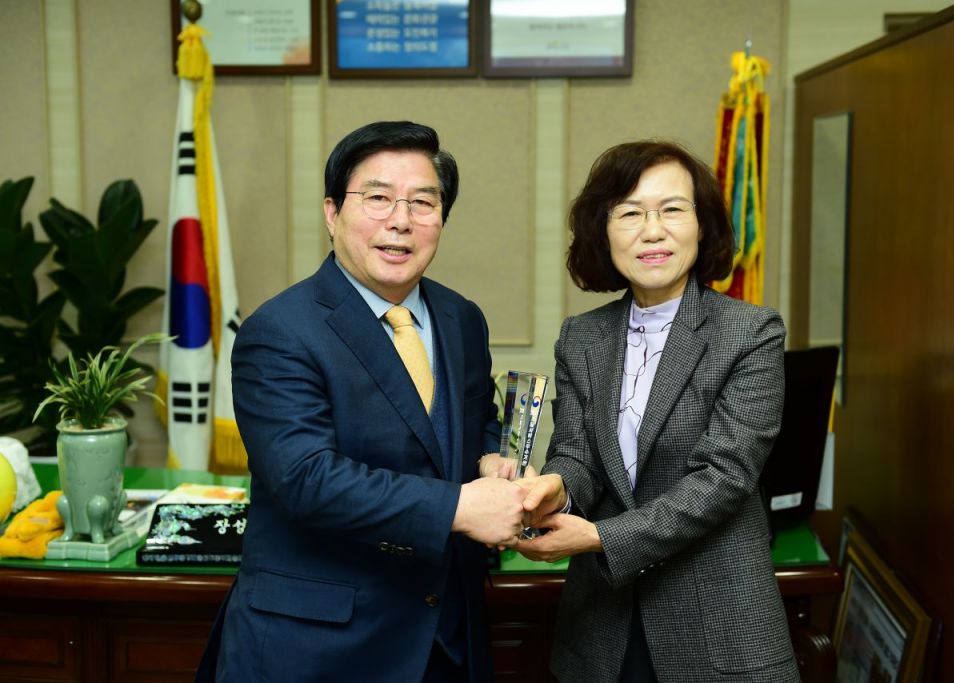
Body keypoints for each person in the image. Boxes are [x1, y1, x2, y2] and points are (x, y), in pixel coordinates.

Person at [197, 121, 528, 682]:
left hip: (446, 638)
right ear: (332, 213)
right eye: (377, 198)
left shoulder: (461, 318)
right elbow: (306, 478)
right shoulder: (279, 330)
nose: (400, 220)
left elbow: (476, 425)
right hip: (319, 649)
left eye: (422, 202)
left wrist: (491, 461)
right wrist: (460, 507)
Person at [513, 141, 800, 681]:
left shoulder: (750, 332)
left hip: (716, 618)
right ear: (603, 232)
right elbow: (576, 453)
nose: (652, 231)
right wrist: (556, 489)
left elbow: (724, 478)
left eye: (672, 209)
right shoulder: (582, 336)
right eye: (629, 213)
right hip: (602, 622)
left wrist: (600, 538)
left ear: (702, 226)